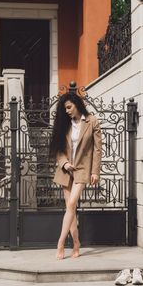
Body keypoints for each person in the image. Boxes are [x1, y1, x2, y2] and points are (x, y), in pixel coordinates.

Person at [50, 92, 102, 260]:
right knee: (70, 209)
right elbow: (58, 149)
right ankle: (77, 243)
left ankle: (60, 243)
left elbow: (97, 149)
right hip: (66, 170)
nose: (67, 111)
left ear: (77, 104)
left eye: (69, 107)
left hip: (82, 169)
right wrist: (64, 163)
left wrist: (95, 171)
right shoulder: (64, 124)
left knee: (72, 203)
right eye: (65, 108)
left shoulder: (92, 121)